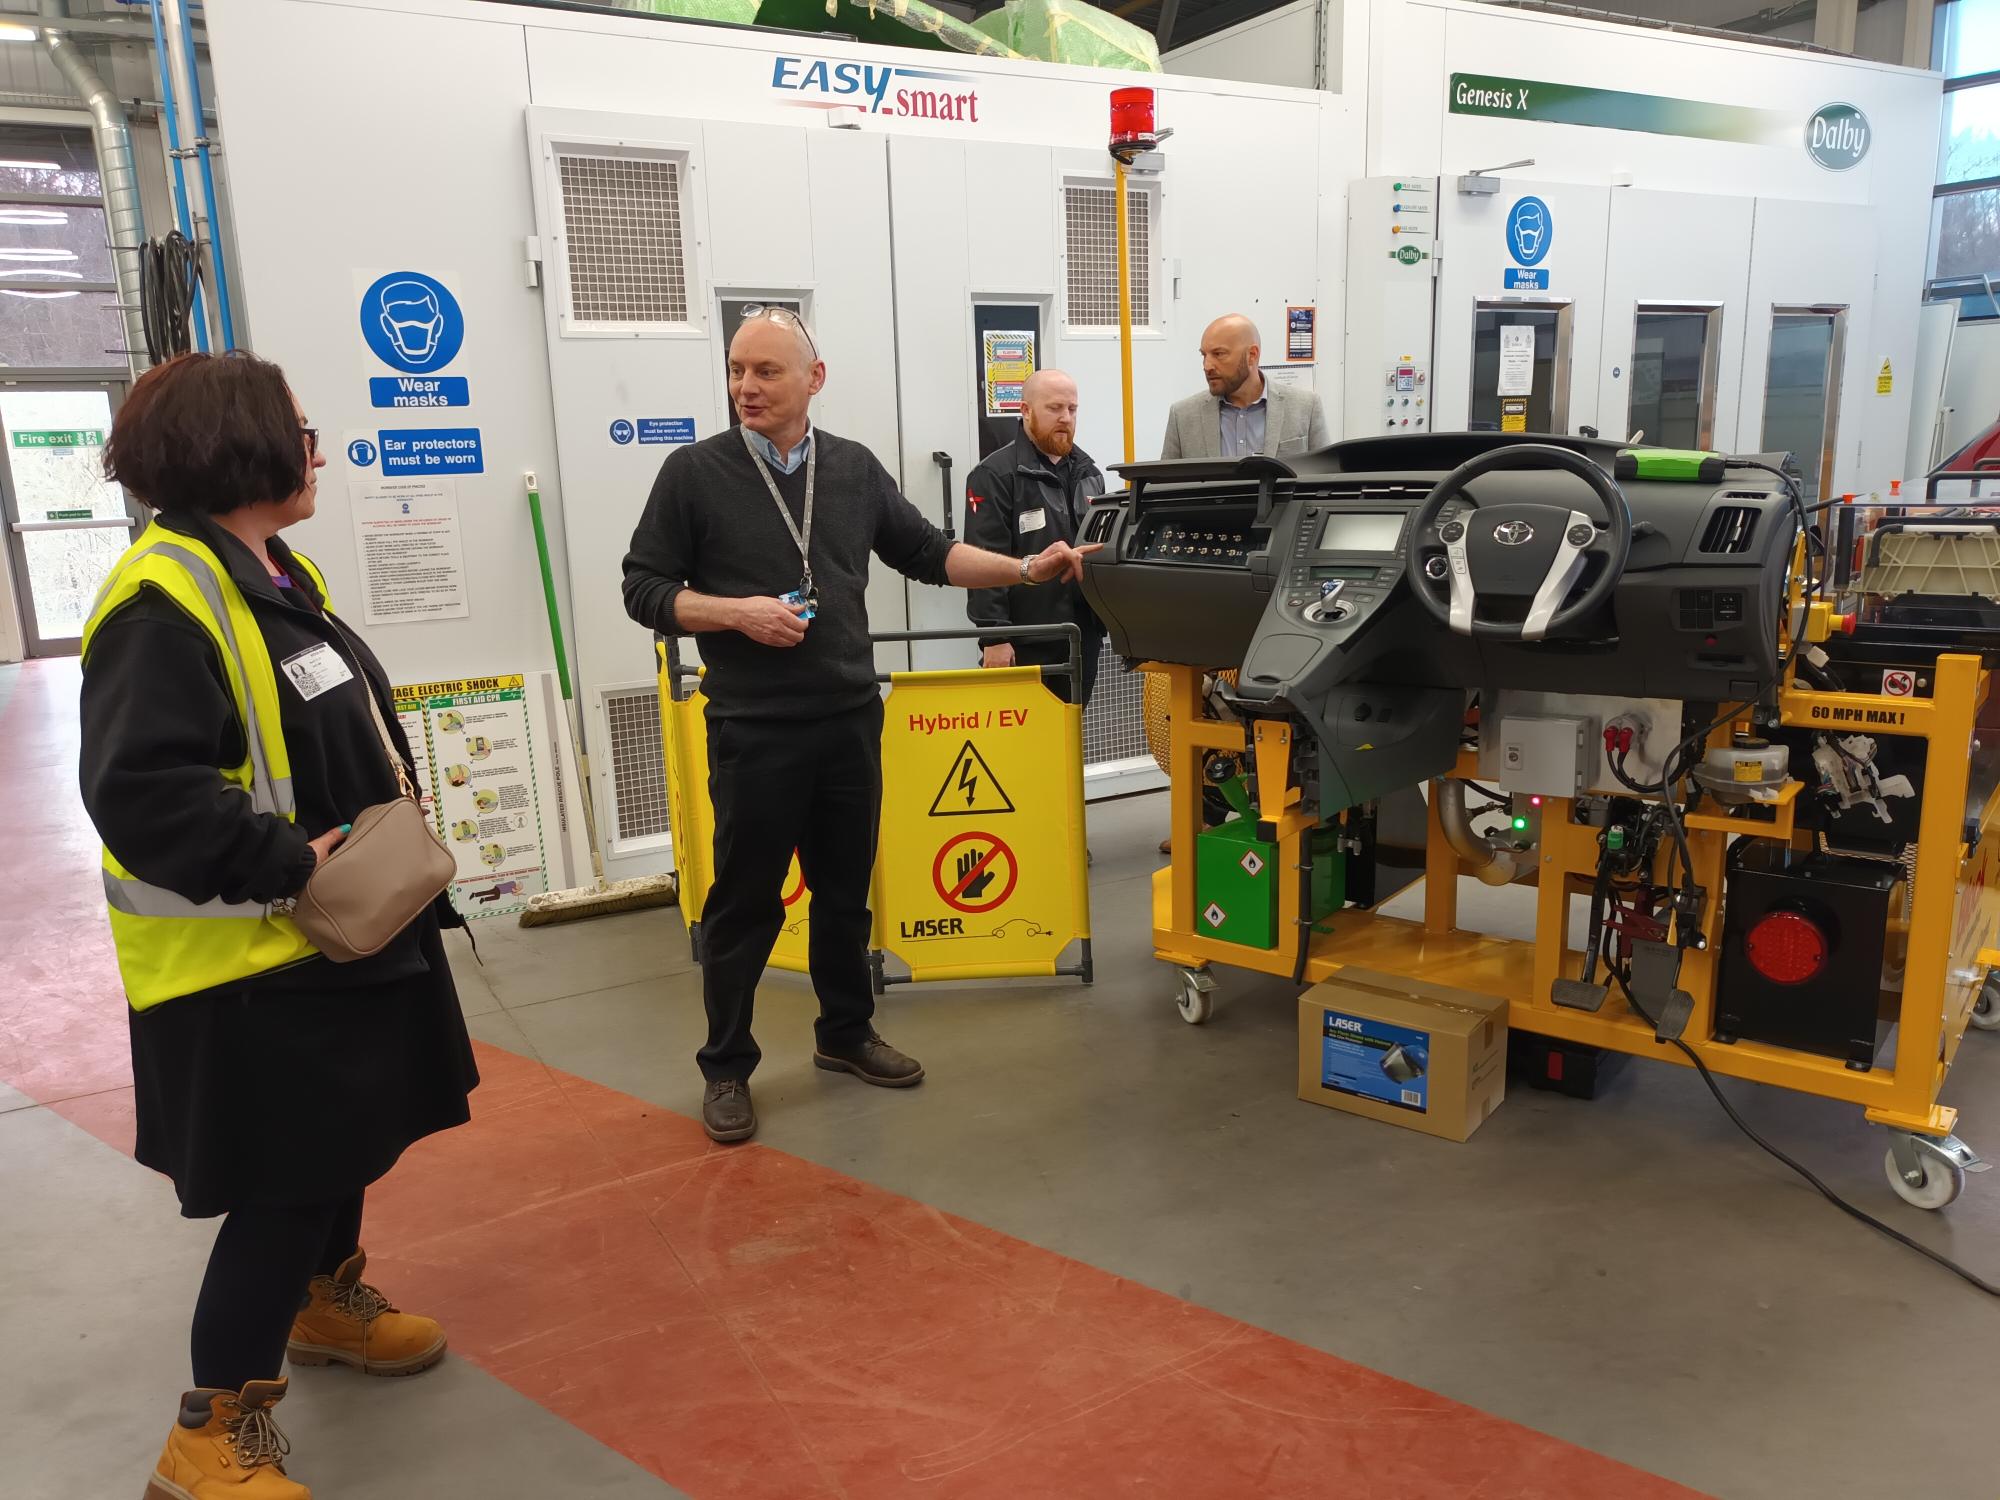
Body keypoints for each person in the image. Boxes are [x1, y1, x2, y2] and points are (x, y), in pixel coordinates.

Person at [79, 352, 477, 1500]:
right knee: (285, 1185)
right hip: (247, 961)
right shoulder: (163, 598)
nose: (319, 450)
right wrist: (284, 860)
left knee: (344, 1145)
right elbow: (144, 792)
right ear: (238, 443)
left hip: (332, 942)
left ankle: (322, 1302)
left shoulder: (264, 569)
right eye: (302, 431)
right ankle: (210, 1436)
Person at [623, 308, 1097, 1145]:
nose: (745, 387)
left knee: (845, 897)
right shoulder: (692, 473)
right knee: (743, 905)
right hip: (755, 730)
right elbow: (645, 590)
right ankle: (726, 1065)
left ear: (815, 378)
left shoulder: (851, 468)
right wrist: (734, 615)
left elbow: (930, 551)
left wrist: (1026, 565)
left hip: (847, 719)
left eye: (766, 371)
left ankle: (844, 1035)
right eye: (737, 369)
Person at [964, 368, 1107, 705]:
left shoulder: (1090, 474)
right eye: (1054, 408)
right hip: (1025, 641)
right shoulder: (994, 476)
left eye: (1072, 409)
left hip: (1081, 636)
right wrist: (994, 638)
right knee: (1024, 746)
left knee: (1069, 738)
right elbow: (983, 562)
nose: (1065, 418)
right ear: (1025, 410)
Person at [1159, 313, 1330, 461]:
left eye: (1219, 354)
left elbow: (1324, 483)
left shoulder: (1306, 408)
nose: (1207, 365)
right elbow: (1164, 492)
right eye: (1204, 355)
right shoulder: (1182, 417)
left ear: (1252, 355)